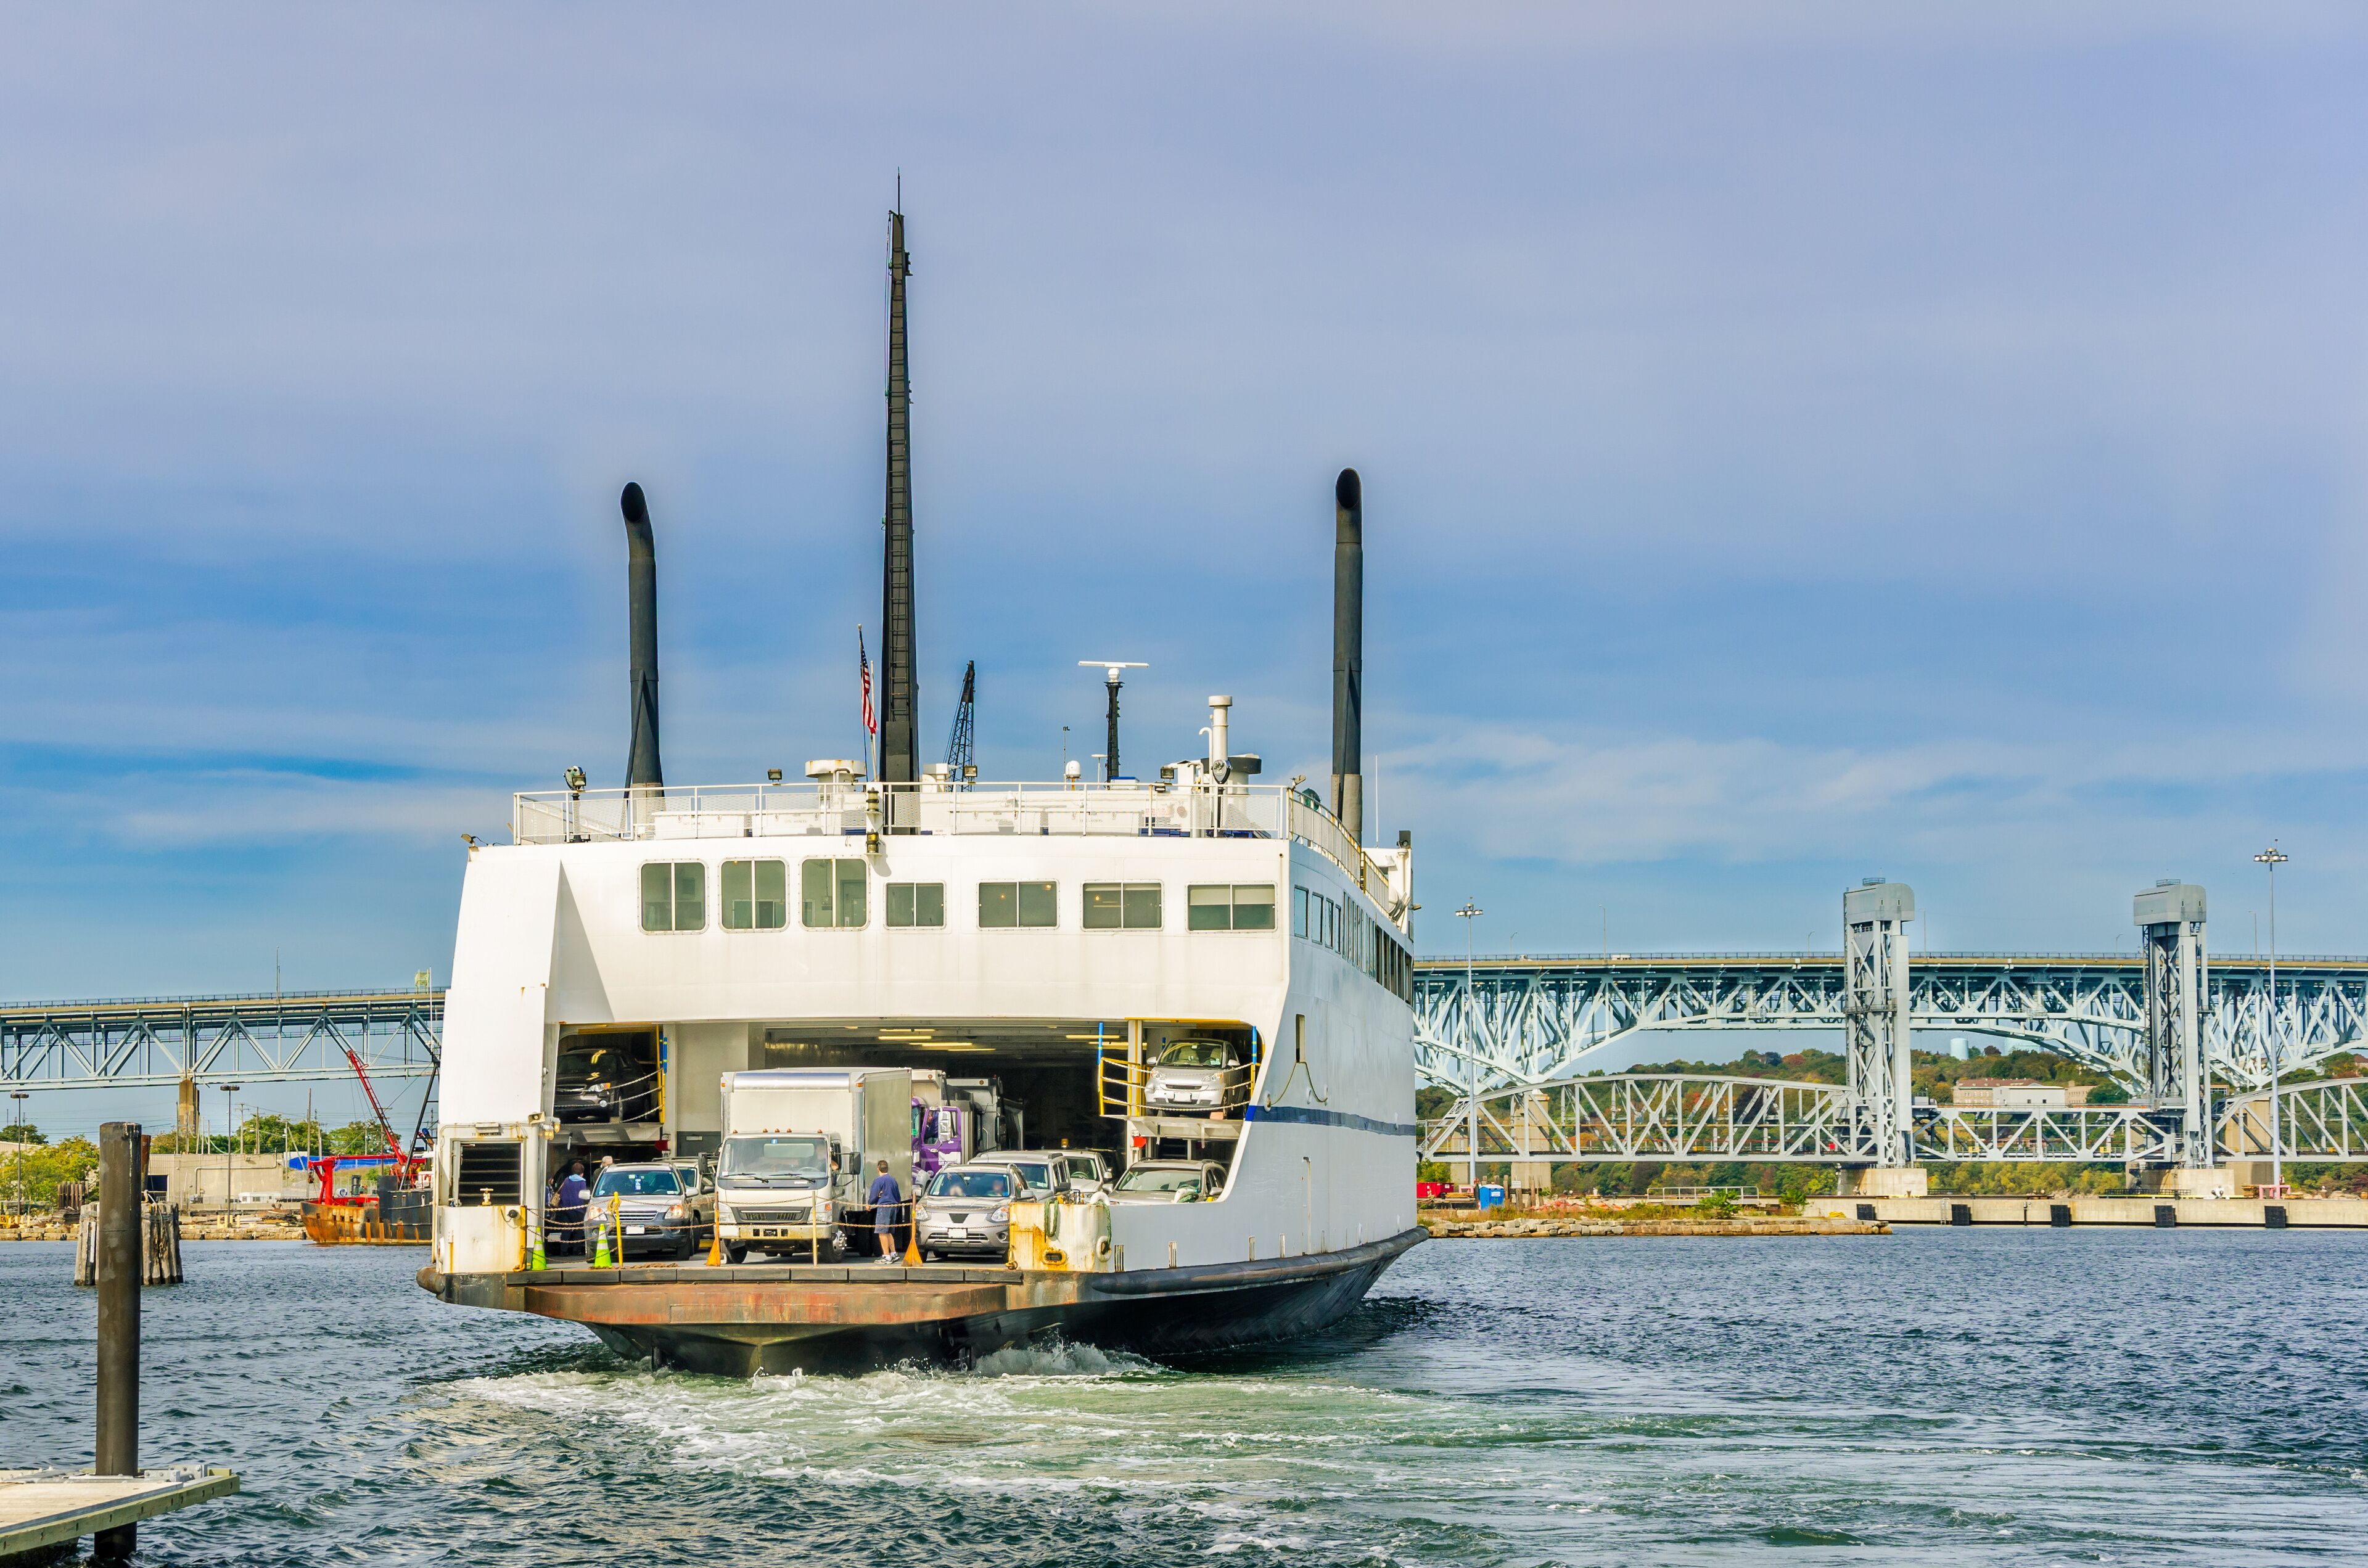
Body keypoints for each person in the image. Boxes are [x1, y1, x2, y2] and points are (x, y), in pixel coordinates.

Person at [866, 1159, 902, 1262]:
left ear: (878, 1169)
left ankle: (886, 1256)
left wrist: (869, 1204)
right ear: (887, 1169)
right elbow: (898, 1197)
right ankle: (893, 1253)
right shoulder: (893, 1180)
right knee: (889, 1232)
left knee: (882, 1232)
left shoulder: (879, 1180)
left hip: (884, 1207)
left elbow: (874, 1195)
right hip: (894, 1207)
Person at [553, 1160, 590, 1255]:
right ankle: (576, 1250)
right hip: (578, 1209)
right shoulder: (582, 1182)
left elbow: (562, 1192)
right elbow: (583, 1195)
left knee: (566, 1229)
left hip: (565, 1208)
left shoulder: (567, 1180)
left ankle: (563, 1251)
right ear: (582, 1173)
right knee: (578, 1230)